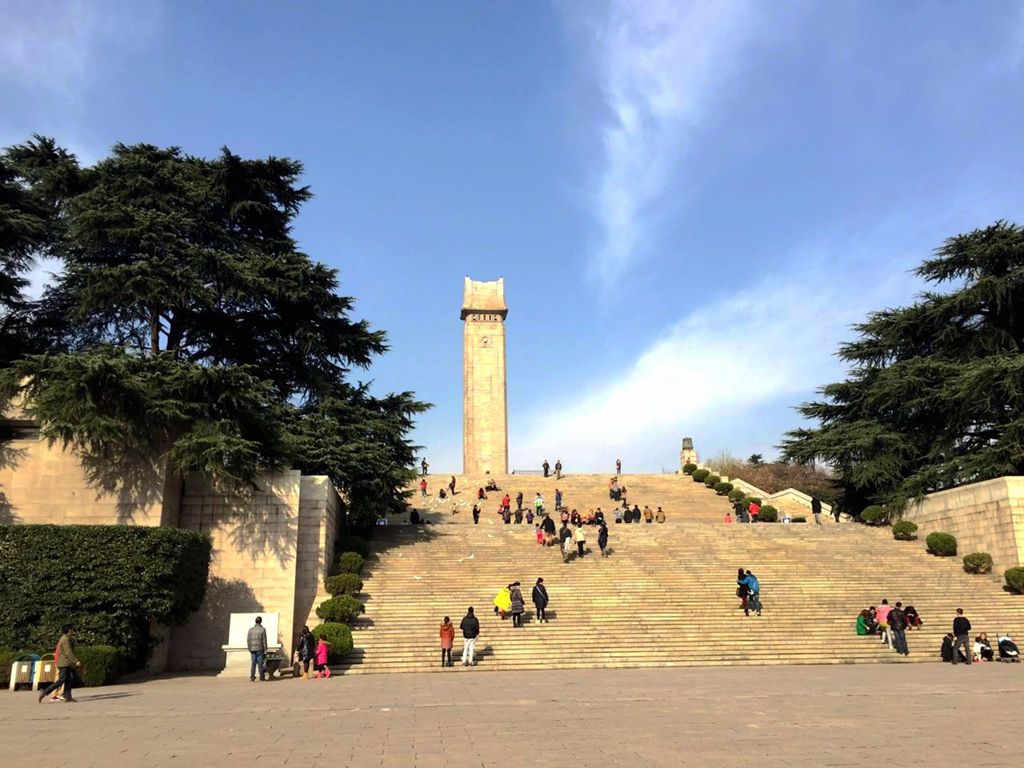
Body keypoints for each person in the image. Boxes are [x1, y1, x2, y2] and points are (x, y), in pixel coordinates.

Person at [37, 626, 81, 704]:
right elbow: (68, 652)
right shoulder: (65, 639)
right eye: (72, 630)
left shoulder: (67, 638)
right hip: (63, 663)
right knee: (61, 680)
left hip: (66, 663)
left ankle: (68, 697)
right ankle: (44, 692)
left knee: (68, 680)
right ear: (69, 630)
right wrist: (76, 661)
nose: (73, 631)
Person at [247, 615, 268, 682]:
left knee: (253, 663)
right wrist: (265, 649)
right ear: (261, 622)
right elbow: (264, 640)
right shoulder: (262, 629)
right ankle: (261, 677)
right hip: (260, 648)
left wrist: (249, 648)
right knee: (260, 663)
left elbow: (248, 640)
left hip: (252, 649)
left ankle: (252, 677)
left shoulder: (250, 630)